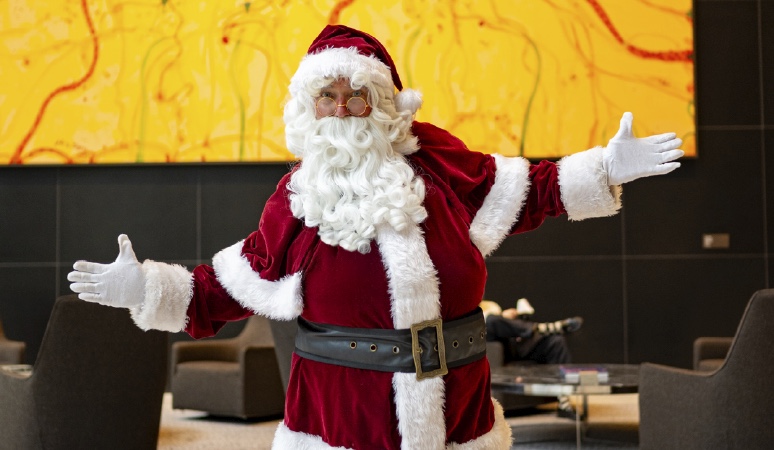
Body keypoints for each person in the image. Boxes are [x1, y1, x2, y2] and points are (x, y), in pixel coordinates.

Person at [67, 25, 683, 450]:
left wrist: (606, 167)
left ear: (382, 103)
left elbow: (533, 190)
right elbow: (232, 284)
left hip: (457, 407)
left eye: (356, 96)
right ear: (310, 108)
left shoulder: (438, 166)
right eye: (327, 97)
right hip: (343, 416)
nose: (341, 110)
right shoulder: (299, 196)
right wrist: (143, 287)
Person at [481, 299, 583, 419]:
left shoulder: (489, 304)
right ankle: (543, 328)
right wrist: (501, 317)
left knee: (555, 341)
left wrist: (507, 316)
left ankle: (564, 403)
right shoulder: (466, 309)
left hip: (514, 343)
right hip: (496, 350)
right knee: (490, 320)